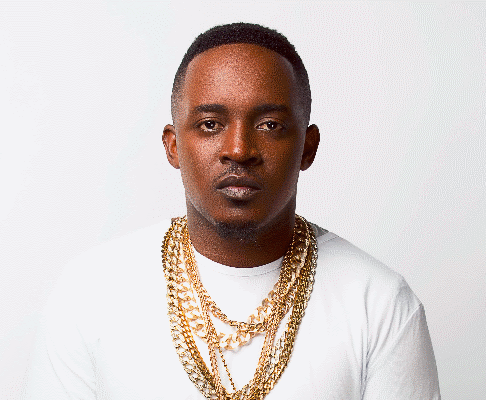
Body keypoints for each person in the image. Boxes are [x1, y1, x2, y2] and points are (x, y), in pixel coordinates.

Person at [26, 23, 440, 399]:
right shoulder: (89, 293)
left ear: (307, 147)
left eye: (270, 125)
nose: (239, 150)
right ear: (173, 146)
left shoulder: (380, 303)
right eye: (210, 124)